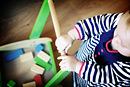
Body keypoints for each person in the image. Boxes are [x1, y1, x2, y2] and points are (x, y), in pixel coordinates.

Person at [55, 10, 130, 86]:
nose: (115, 40)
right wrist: (71, 35)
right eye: (117, 31)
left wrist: (77, 66)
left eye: (123, 44)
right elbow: (97, 23)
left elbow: (103, 75)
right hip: (89, 51)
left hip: (95, 75)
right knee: (80, 57)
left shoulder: (128, 69)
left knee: (82, 82)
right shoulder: (121, 20)